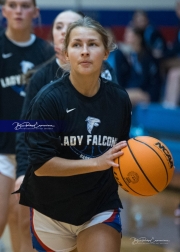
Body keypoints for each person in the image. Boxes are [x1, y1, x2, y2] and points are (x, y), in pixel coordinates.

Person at [16, 16, 132, 252]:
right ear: (66, 54)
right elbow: (41, 164)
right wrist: (96, 163)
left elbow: (121, 153)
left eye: (93, 44)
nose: (85, 51)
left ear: (106, 53)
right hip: (51, 209)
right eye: (77, 44)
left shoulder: (120, 100)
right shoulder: (47, 99)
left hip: (98, 206)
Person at [0, 0, 54, 251]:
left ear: (36, 11)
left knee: (23, 222)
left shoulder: (46, 53)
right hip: (1, 150)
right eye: (12, 5)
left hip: (31, 150)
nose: (19, 11)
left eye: (24, 5)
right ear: (3, 10)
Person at [120, 26, 161, 107]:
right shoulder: (130, 55)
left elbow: (151, 80)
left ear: (138, 38)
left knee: (119, 97)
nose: (125, 37)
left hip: (147, 93)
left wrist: (148, 94)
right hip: (134, 91)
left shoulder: (148, 57)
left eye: (129, 35)